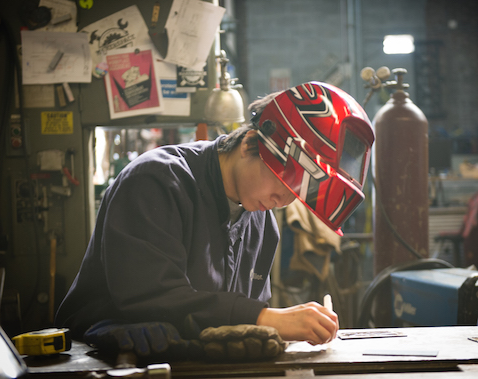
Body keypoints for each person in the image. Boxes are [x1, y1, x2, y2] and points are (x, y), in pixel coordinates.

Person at [55, 81, 374, 357]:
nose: (283, 201)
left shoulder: (263, 225)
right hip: (102, 361)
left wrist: (261, 329)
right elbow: (152, 299)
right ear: (251, 144)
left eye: (297, 194)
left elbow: (235, 328)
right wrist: (268, 318)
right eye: (284, 181)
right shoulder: (156, 181)